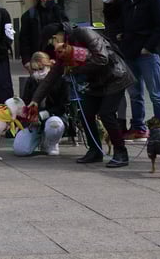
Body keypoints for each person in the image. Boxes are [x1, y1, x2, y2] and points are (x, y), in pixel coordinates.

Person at [29, 23, 135, 167]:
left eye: (50, 41)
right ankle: (94, 150)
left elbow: (102, 59)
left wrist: (74, 69)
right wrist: (35, 100)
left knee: (107, 114)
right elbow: (51, 77)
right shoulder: (62, 50)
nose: (51, 46)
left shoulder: (84, 33)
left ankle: (121, 152)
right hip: (95, 83)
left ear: (56, 36)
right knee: (86, 113)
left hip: (115, 77)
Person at [117, 0, 160, 138]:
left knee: (155, 93)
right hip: (130, 52)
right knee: (134, 93)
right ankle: (138, 127)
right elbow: (127, 23)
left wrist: (149, 47)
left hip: (147, 53)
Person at [14, 52, 67, 156]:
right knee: (20, 150)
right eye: (34, 70)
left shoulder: (60, 81)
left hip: (53, 117)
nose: (38, 73)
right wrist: (28, 116)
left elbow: (62, 107)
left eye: (41, 69)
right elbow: (26, 103)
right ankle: (38, 138)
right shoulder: (31, 81)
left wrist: (41, 115)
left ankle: (51, 143)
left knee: (54, 123)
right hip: (33, 123)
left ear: (48, 66)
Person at [100, 0, 130, 132]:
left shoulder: (123, 4)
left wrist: (120, 36)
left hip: (123, 49)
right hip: (112, 49)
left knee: (129, 89)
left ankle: (127, 122)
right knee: (117, 90)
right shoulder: (108, 6)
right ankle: (120, 123)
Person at [18, 0, 69, 72]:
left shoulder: (59, 11)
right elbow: (24, 40)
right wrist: (26, 61)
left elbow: (68, 27)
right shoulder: (29, 15)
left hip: (58, 57)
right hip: (39, 59)